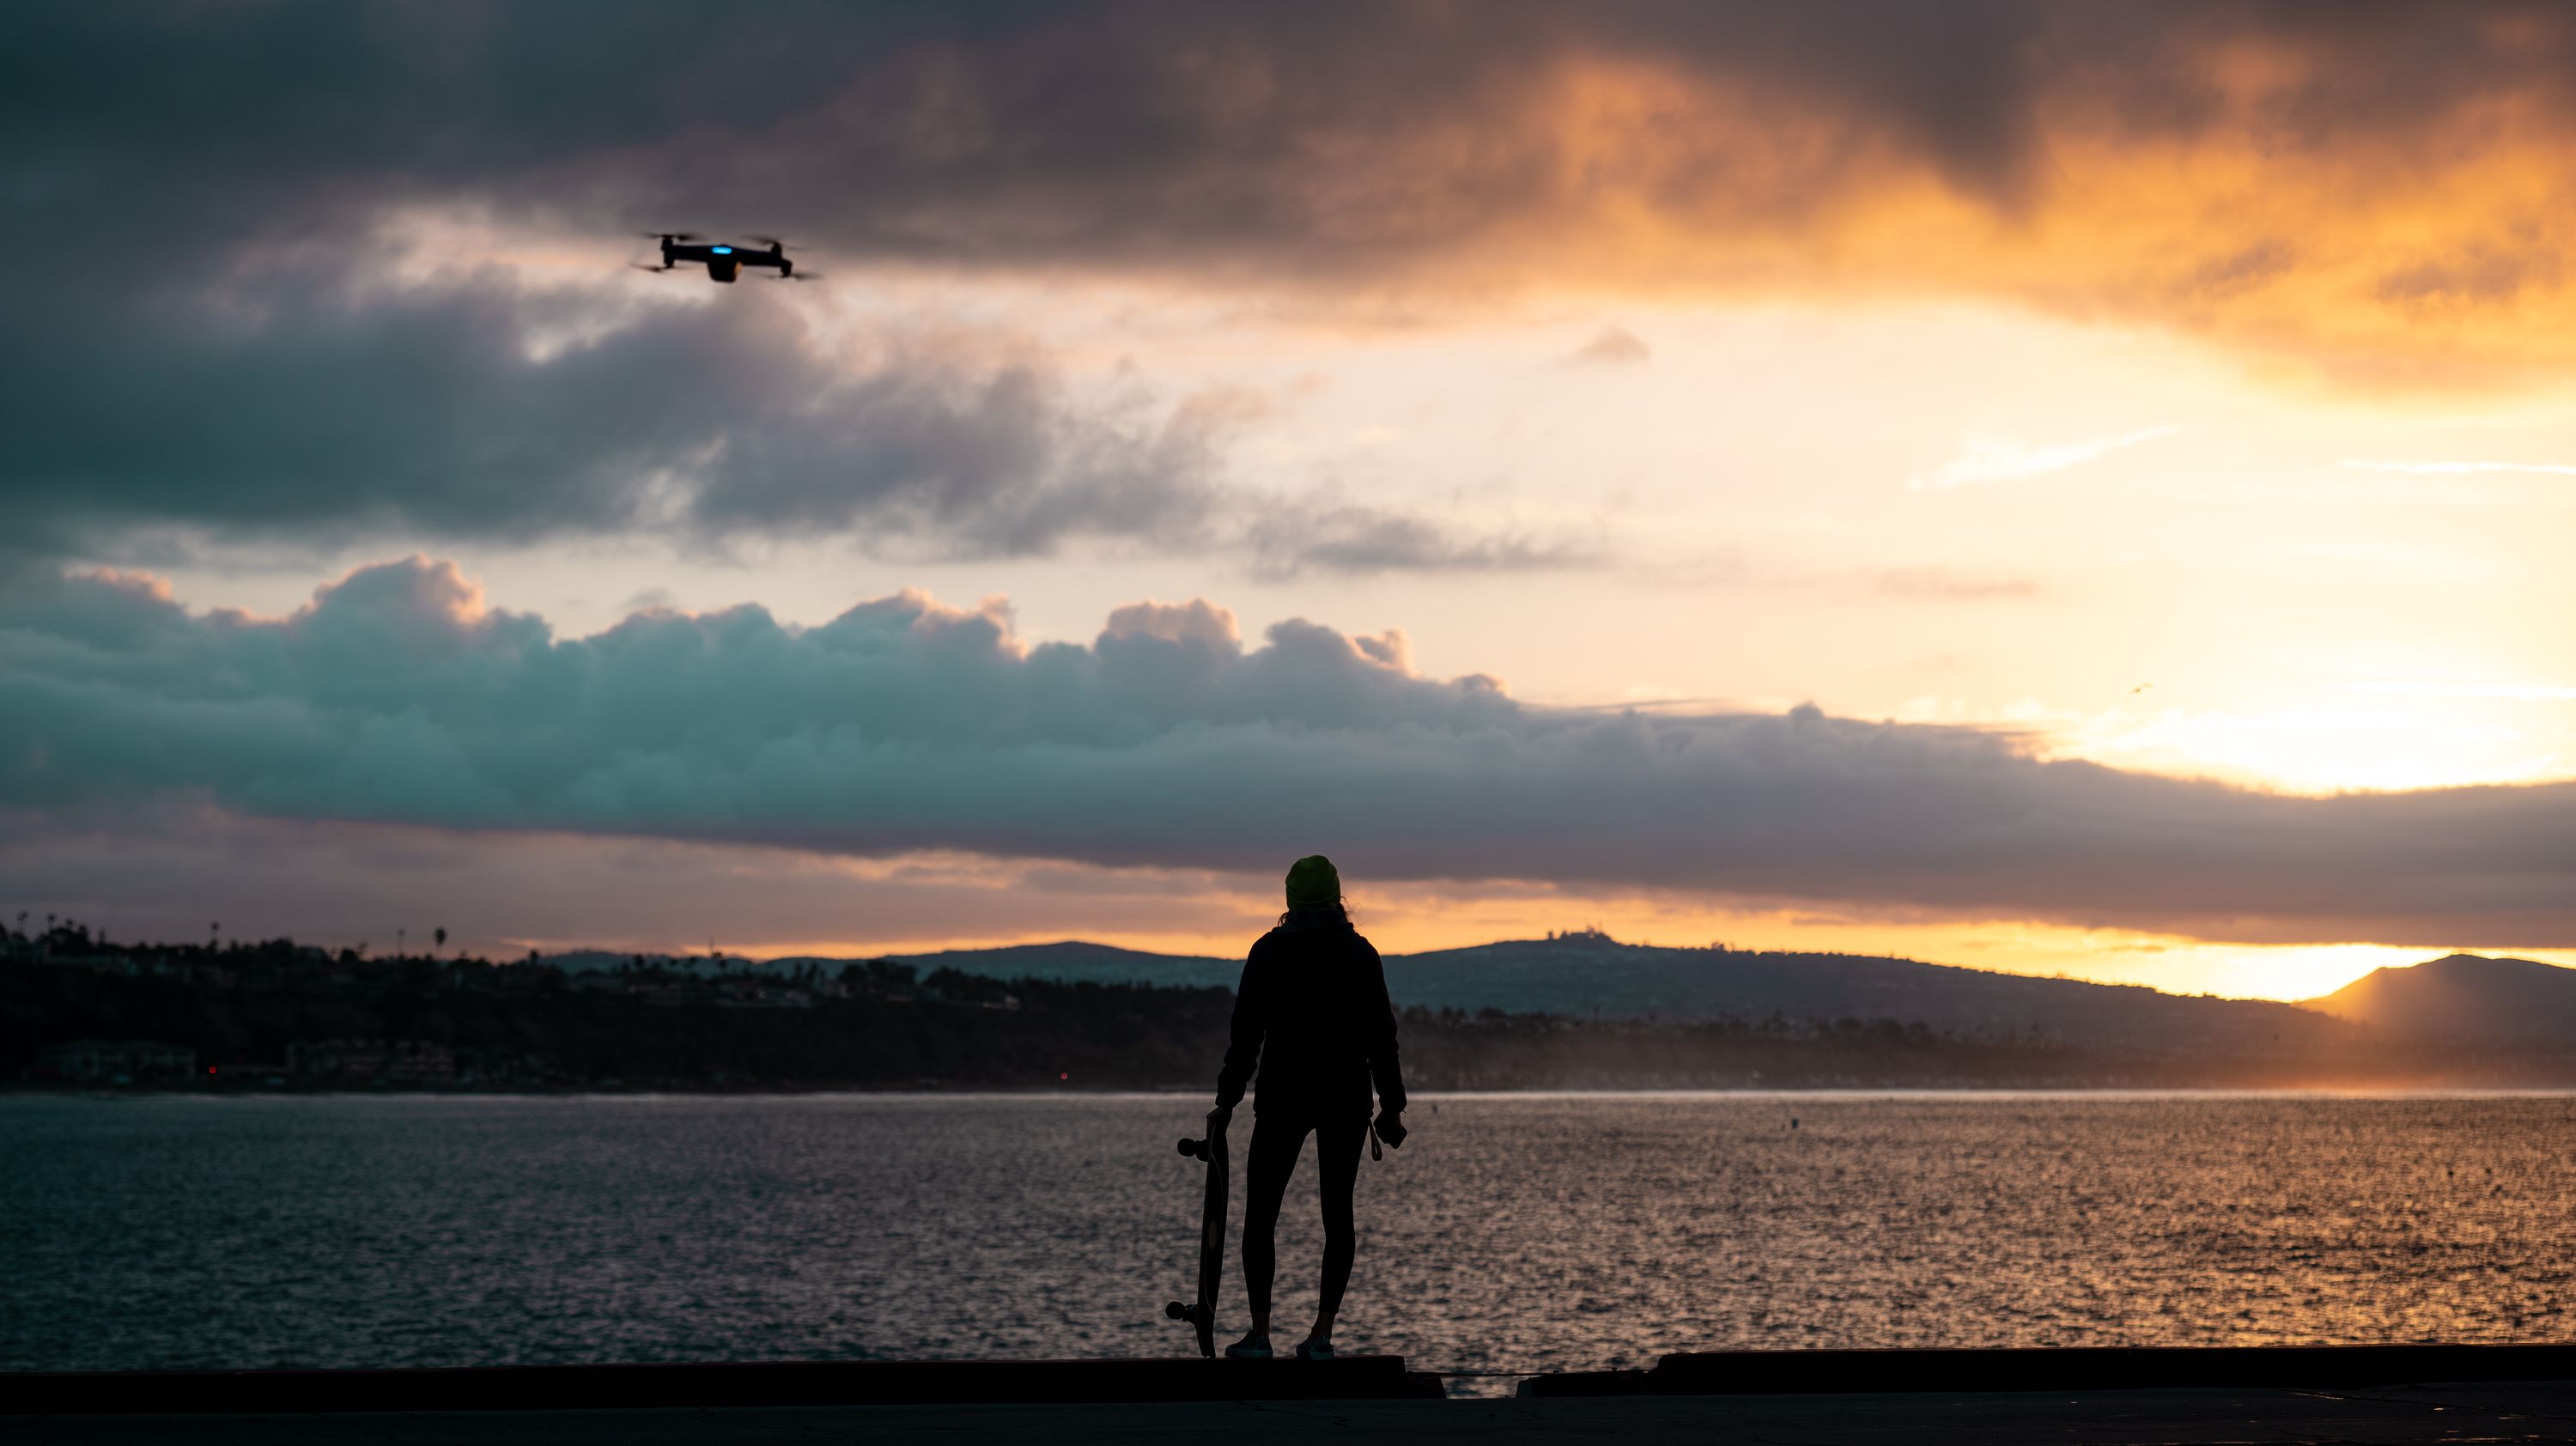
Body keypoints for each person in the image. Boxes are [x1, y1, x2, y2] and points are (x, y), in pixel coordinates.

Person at [1212, 854, 1407, 1361]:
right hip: (1345, 1098)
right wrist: (1392, 1107)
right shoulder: (1361, 954)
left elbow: (1245, 1037)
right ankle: (1321, 1335)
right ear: (1338, 899)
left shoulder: (1268, 952)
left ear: (1289, 901)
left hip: (1283, 1096)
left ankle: (1259, 1334)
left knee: (1261, 1215)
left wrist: (1226, 1102)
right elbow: (1381, 1037)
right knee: (1337, 1215)